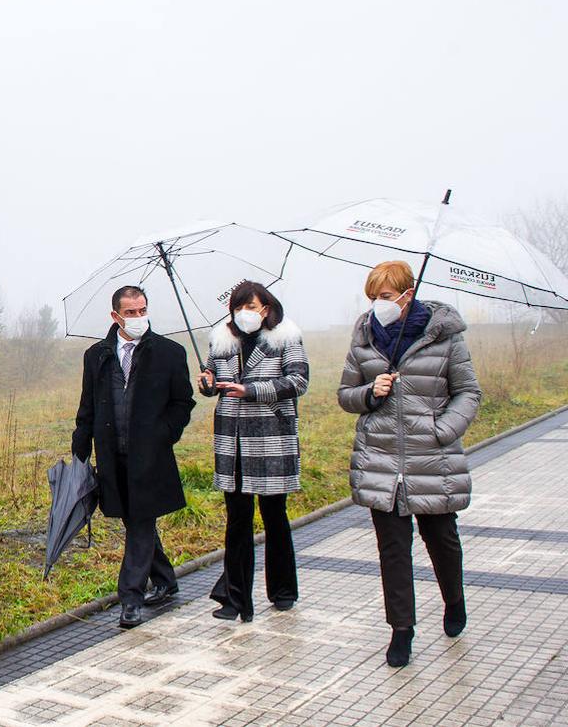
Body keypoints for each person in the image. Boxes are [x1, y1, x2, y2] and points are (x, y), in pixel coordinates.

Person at [338, 260, 481, 667]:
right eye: (372, 297)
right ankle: (402, 630)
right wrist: (370, 392)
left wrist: (441, 431)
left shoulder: (445, 335)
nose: (377, 305)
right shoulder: (364, 336)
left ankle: (454, 601)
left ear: (407, 293)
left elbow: (469, 392)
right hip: (381, 459)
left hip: (431, 457)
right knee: (393, 551)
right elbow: (346, 395)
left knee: (442, 541)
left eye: (385, 297)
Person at [72, 285, 196, 628]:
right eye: (131, 312)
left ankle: (130, 598)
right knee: (134, 518)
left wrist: (164, 433)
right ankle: (166, 581)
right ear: (115, 316)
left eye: (143, 310)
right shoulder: (96, 356)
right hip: (113, 456)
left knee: (140, 523)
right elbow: (88, 405)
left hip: (151, 456)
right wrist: (80, 449)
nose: (139, 317)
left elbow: (182, 402)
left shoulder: (169, 353)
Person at [198, 281, 308, 622]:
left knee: (275, 516)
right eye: (240, 307)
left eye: (254, 306)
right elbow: (212, 377)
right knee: (237, 520)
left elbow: (298, 382)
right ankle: (235, 600)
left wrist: (250, 390)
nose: (247, 313)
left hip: (271, 435)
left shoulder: (286, 337)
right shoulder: (221, 339)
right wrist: (206, 381)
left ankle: (283, 590)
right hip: (232, 439)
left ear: (266, 308)